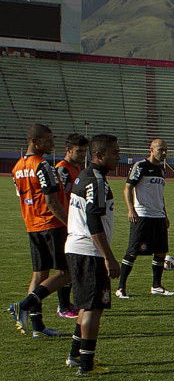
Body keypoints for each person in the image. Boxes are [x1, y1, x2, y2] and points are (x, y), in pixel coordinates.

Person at [64, 134, 120, 376]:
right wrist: (108, 256)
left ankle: (76, 356)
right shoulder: (95, 180)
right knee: (93, 309)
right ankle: (87, 365)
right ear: (99, 155)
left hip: (78, 248)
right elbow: (93, 219)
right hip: (89, 251)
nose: (118, 157)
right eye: (114, 153)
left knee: (86, 307)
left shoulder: (84, 176)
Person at [10, 123, 70, 337]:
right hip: (50, 224)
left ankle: (37, 327)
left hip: (32, 224)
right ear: (35, 142)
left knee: (39, 274)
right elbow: (51, 201)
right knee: (65, 273)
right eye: (48, 140)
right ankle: (25, 304)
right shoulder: (42, 165)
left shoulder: (17, 166)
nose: (52, 144)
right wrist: (69, 223)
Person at [116, 138, 174, 299]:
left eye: (165, 150)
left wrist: (165, 214)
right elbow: (128, 188)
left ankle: (156, 285)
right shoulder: (141, 166)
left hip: (159, 217)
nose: (163, 153)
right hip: (143, 216)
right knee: (133, 251)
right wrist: (131, 209)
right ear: (151, 149)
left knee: (161, 251)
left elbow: (160, 196)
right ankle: (121, 287)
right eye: (160, 149)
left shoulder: (161, 170)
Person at [53, 133, 89, 319]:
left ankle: (68, 304)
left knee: (71, 267)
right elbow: (57, 199)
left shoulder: (76, 168)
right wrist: (67, 222)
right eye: (79, 151)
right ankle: (63, 306)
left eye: (84, 151)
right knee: (64, 268)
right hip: (64, 225)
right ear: (68, 150)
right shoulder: (62, 170)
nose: (83, 154)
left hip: (74, 224)